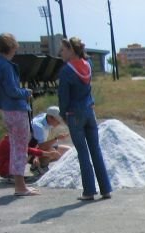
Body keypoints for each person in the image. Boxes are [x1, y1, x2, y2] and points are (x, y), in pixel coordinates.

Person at [59, 36, 112, 201]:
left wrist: (63, 114)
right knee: (96, 150)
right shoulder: (87, 65)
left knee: (83, 153)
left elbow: (63, 97)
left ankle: (89, 191)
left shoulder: (66, 70)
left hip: (74, 114)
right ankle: (106, 189)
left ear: (71, 50)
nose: (61, 52)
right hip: (90, 111)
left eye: (63, 49)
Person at [0, 32, 38, 196]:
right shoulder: (6, 66)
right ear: (10, 47)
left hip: (7, 110)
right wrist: (26, 92)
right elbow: (12, 90)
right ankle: (20, 186)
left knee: (16, 147)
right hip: (16, 109)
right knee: (20, 148)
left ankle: (19, 185)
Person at [30, 106, 71, 172]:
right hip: (32, 152)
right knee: (54, 152)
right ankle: (38, 167)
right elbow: (40, 146)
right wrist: (56, 138)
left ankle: (41, 163)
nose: (59, 122)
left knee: (68, 150)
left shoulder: (45, 117)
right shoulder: (39, 127)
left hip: (42, 146)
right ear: (50, 117)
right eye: (57, 120)